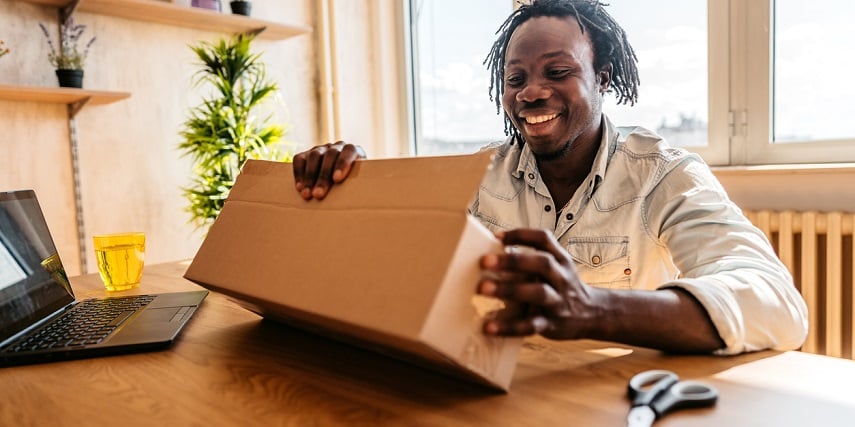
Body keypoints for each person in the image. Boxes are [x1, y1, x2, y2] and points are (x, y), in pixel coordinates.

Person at [291, 0, 808, 355]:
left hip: (620, 399)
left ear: (602, 77)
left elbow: (778, 305)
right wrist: (348, 183)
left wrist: (595, 309)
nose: (530, 93)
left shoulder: (664, 175)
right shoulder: (477, 178)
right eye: (515, 79)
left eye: (557, 72)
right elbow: (391, 260)